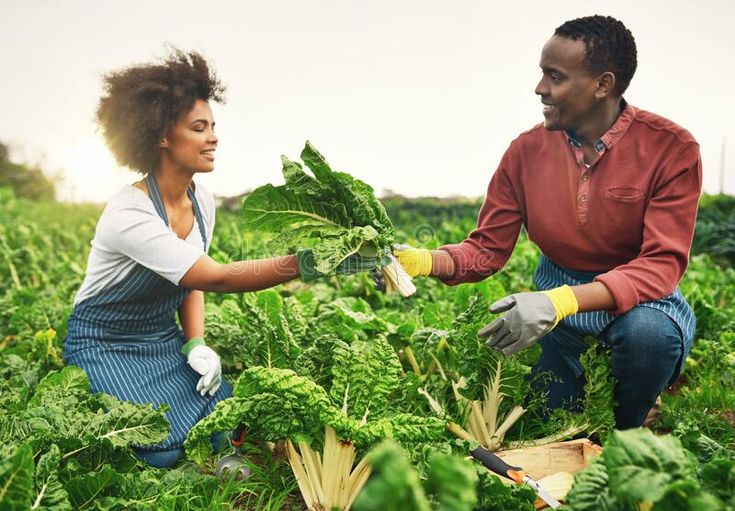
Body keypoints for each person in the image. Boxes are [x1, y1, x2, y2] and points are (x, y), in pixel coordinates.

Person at [63, 50, 379, 468]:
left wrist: (195, 342)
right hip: (105, 342)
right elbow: (215, 277)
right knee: (161, 448)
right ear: (160, 135)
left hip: (161, 337)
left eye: (213, 126)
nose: (213, 137)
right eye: (199, 128)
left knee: (227, 422)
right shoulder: (129, 212)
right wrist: (311, 261)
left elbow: (188, 282)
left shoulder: (202, 201)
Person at [393, 15, 702, 429]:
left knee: (647, 340)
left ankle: (631, 423)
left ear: (602, 85)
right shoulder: (525, 152)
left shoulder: (671, 148)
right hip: (556, 320)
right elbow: (485, 250)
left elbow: (661, 265)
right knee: (547, 418)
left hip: (643, 304)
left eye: (554, 77)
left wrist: (560, 300)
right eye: (542, 74)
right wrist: (418, 261)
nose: (540, 89)